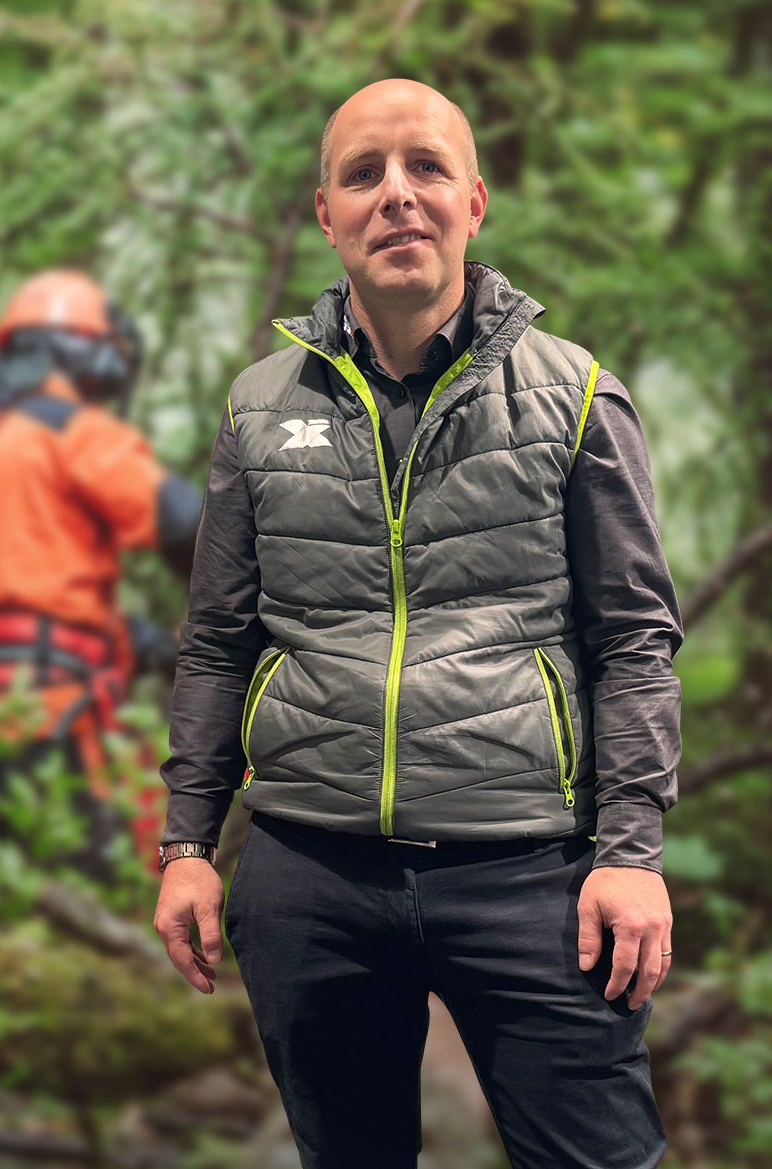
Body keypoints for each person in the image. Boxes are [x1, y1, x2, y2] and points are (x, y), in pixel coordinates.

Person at [154, 79, 680, 1169]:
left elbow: (634, 637)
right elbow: (217, 641)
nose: (396, 193)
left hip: (534, 873)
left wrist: (631, 850)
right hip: (309, 872)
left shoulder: (577, 395)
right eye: (364, 173)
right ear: (327, 214)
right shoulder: (260, 407)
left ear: (473, 201)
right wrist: (188, 843)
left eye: (426, 166)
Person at [0, 270, 201, 878]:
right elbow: (190, 525)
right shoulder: (71, 431)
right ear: (84, 351)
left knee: (4, 899)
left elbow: (19, 600)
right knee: (108, 888)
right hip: (52, 713)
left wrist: (144, 641)